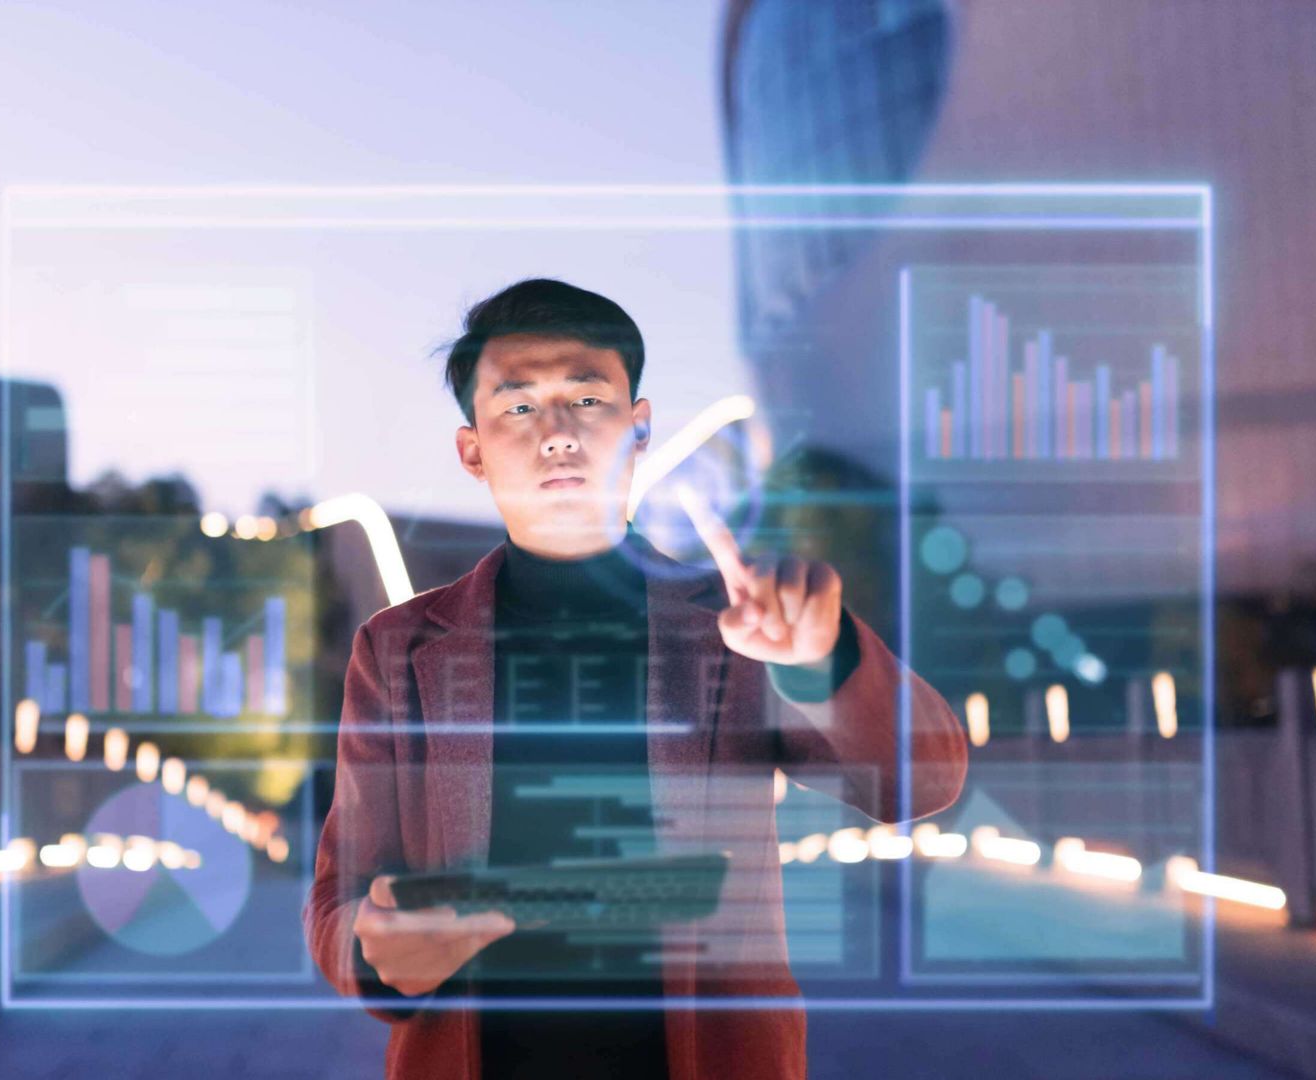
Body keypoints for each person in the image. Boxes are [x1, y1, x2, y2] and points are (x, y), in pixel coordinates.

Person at [305, 278, 967, 1080]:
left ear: (638, 426)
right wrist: (377, 954)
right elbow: (340, 902)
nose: (557, 434)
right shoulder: (400, 649)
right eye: (518, 406)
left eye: (587, 399)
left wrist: (822, 661)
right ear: (472, 448)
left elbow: (921, 780)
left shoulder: (738, 623)